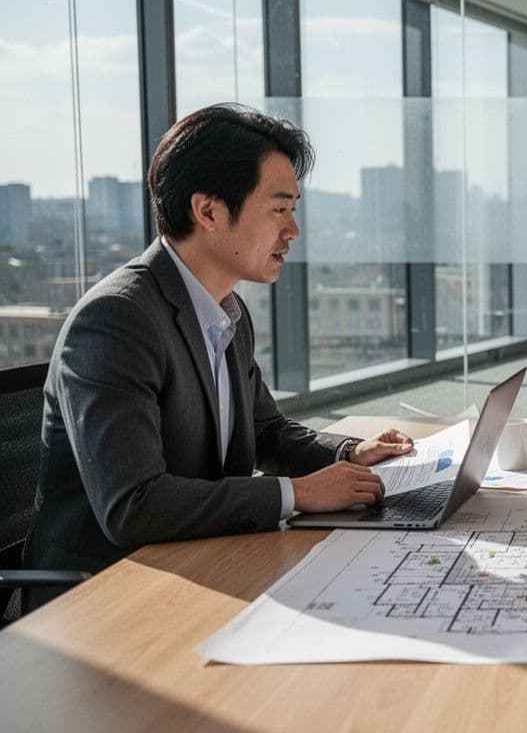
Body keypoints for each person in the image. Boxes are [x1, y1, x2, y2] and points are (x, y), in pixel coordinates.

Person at [24, 104, 413, 609]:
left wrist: (347, 454)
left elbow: (267, 433)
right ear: (208, 211)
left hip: (197, 564)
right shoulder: (116, 320)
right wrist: (296, 494)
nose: (293, 231)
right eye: (279, 209)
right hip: (103, 597)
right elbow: (133, 507)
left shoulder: (226, 311)